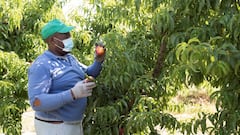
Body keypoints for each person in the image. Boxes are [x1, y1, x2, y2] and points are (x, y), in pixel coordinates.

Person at [27, 19, 106, 135]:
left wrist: (99, 59)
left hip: (74, 125)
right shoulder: (42, 65)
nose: (70, 38)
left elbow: (90, 72)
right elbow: (37, 102)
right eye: (65, 35)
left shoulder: (70, 58)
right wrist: (73, 93)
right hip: (54, 128)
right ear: (53, 40)